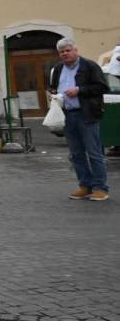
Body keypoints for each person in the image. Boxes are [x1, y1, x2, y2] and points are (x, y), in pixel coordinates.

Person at [48, 37, 109, 201]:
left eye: (68, 50)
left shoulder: (89, 66)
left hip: (87, 114)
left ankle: (100, 188)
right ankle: (85, 186)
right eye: (61, 52)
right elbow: (53, 86)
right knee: (76, 154)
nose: (65, 54)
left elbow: (102, 87)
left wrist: (79, 90)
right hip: (67, 115)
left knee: (94, 152)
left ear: (76, 50)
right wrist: (53, 94)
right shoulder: (58, 68)